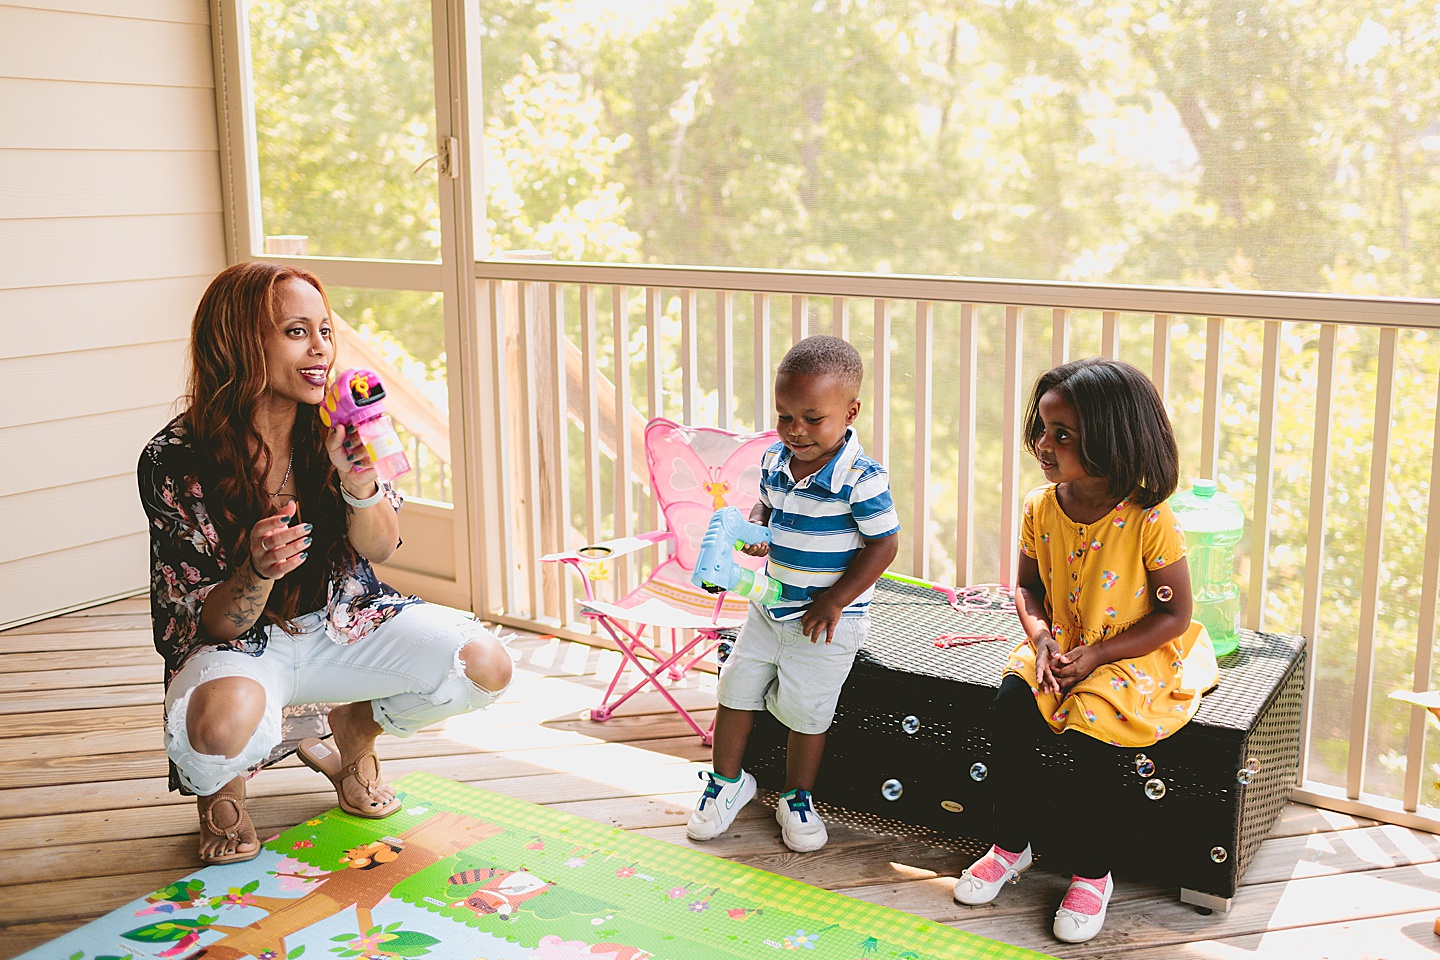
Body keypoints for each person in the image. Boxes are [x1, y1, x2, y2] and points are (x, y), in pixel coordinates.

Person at [138, 261, 513, 864]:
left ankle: (353, 731)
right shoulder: (175, 457)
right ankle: (221, 787)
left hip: (342, 623)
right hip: (238, 647)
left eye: (326, 330)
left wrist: (358, 482)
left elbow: (381, 548)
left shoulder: (339, 428)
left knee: (483, 665)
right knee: (216, 732)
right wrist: (255, 572)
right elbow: (214, 626)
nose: (321, 350)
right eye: (295, 332)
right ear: (239, 341)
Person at [951, 357, 1218, 943]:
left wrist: (1097, 658)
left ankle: (1093, 872)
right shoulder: (1041, 506)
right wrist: (1041, 639)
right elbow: (1026, 588)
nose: (1045, 445)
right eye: (1043, 429)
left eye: (1063, 435)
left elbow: (1176, 615)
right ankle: (1009, 845)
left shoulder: (1149, 519)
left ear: (1114, 441)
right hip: (1060, 644)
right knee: (1011, 705)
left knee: (1092, 725)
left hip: (1130, 654)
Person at [685, 335, 900, 853]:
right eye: (784, 416)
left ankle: (797, 795)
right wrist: (756, 528)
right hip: (769, 606)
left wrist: (834, 600)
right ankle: (727, 783)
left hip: (826, 620)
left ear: (849, 413)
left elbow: (884, 545)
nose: (795, 430)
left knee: (808, 712)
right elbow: (763, 507)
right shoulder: (775, 461)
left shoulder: (862, 479)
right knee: (734, 690)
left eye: (812, 418)